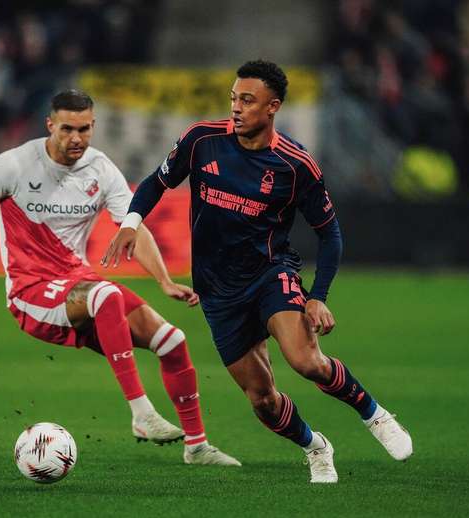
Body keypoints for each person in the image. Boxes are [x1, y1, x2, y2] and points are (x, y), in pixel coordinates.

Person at [104, 60, 413, 483]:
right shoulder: (201, 140)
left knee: (306, 362)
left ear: (273, 107)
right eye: (234, 98)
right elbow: (157, 182)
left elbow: (331, 234)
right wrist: (130, 223)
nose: (236, 107)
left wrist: (318, 295)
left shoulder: (296, 165)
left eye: (247, 100)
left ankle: (374, 414)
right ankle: (316, 446)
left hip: (271, 273)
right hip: (216, 290)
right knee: (263, 399)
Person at [0, 89, 239, 467]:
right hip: (31, 291)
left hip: (77, 283)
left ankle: (197, 447)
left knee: (173, 341)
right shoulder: (15, 165)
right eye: (67, 129)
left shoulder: (101, 169)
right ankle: (142, 413)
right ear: (50, 125)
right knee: (106, 295)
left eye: (84, 129)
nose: (76, 139)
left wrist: (165, 281)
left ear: (93, 126)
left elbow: (133, 226)